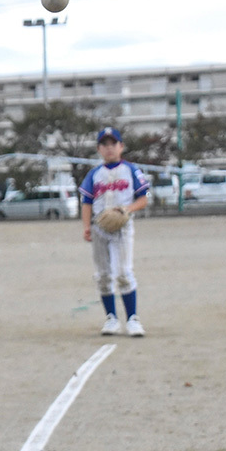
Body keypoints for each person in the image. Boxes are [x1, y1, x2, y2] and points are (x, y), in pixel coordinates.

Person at [79, 127, 150, 337]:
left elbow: (143, 198)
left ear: (121, 146)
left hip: (122, 228)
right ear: (99, 149)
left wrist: (127, 210)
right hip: (99, 228)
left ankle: (132, 319)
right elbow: (87, 202)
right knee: (102, 275)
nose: (109, 149)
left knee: (123, 273)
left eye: (113, 144)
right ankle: (111, 318)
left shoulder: (131, 170)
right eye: (104, 145)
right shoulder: (94, 174)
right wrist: (86, 227)